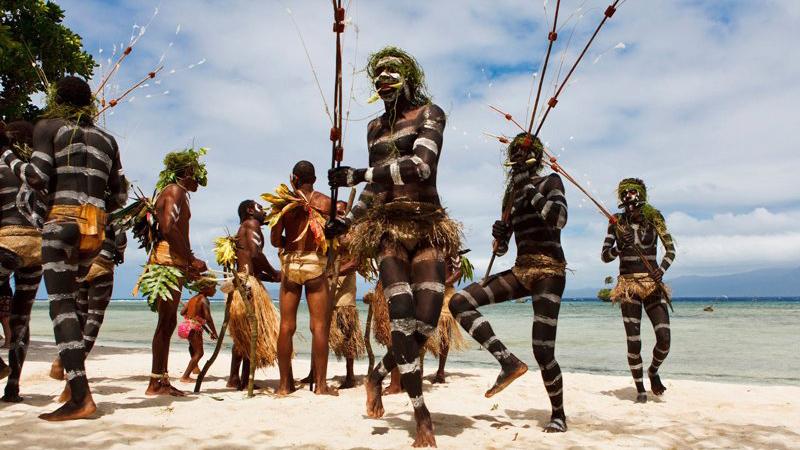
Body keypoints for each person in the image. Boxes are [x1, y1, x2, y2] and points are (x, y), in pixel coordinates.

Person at [327, 46, 459, 447]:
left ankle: (377, 374)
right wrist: (347, 221)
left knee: (424, 322)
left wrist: (357, 172)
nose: (383, 80)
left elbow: (421, 165)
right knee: (400, 317)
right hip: (387, 230)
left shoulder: (430, 113)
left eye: (391, 73)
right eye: (378, 75)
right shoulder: (373, 129)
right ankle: (421, 414)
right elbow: (375, 186)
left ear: (408, 77)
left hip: (428, 227)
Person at [1, 77, 127, 420]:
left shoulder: (49, 126)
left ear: (57, 98)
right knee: (72, 306)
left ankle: (81, 397)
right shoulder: (108, 140)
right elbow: (119, 196)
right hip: (94, 229)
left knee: (62, 309)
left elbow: (37, 176)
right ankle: (73, 387)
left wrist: (7, 154)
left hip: (61, 224)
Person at [449, 133, 569, 433]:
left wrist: (530, 189)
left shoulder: (549, 182)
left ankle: (559, 415)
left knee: (543, 350)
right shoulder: (511, 197)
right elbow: (502, 249)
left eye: (521, 153)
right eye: (512, 154)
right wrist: (501, 234)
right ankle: (507, 361)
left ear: (535, 158)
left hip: (549, 272)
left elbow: (558, 219)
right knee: (459, 301)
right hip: (521, 269)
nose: (516, 159)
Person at [601, 178, 676, 403]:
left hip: (652, 286)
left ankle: (653, 371)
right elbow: (605, 256)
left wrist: (661, 270)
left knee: (664, 338)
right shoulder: (616, 222)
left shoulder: (655, 218)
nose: (629, 196)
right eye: (625, 193)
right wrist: (618, 247)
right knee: (634, 340)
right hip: (628, 287)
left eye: (633, 192)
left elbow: (671, 250)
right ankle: (640, 389)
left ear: (641, 195)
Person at [142, 148, 208, 396]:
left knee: (168, 322)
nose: (199, 181)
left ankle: (160, 379)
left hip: (173, 260)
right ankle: (155, 382)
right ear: (188, 172)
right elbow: (168, 227)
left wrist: (188, 263)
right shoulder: (175, 191)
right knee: (165, 322)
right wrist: (190, 259)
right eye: (196, 175)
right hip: (168, 261)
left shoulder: (177, 193)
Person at [269, 161, 337, 396]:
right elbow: (334, 235)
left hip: (290, 263)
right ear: (314, 180)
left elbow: (276, 240)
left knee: (286, 326)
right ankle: (320, 385)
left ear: (294, 178)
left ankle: (284, 385)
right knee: (319, 326)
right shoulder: (326, 202)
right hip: (315, 263)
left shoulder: (284, 202)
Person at [49, 222, 127, 386]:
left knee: (80, 317)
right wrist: (120, 253)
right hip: (102, 268)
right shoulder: (112, 213)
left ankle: (60, 361)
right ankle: (69, 365)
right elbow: (121, 239)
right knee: (94, 319)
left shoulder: (85, 210)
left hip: (82, 267)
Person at [0, 120, 44, 403]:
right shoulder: (38, 174)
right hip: (37, 250)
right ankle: (13, 387)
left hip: (6, 244)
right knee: (21, 319)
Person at [225, 200, 281, 390]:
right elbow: (256, 255)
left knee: (244, 334)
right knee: (251, 333)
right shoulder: (251, 225)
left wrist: (269, 277)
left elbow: (249, 260)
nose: (263, 211)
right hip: (249, 286)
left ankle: (235, 378)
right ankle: (244, 379)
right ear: (250, 210)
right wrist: (274, 273)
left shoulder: (243, 229)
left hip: (244, 282)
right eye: (259, 207)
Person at [326, 202, 366, 389]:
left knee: (347, 331)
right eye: (337, 211)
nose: (340, 214)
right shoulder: (326, 230)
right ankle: (315, 373)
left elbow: (356, 263)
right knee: (321, 330)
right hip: (326, 286)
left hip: (345, 290)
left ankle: (350, 376)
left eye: (343, 211)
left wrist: (335, 272)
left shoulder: (352, 234)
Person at [425, 251, 470, 384]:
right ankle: (418, 368)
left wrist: (442, 284)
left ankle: (440, 371)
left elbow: (458, 272)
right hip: (427, 292)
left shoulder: (453, 254)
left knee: (445, 332)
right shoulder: (427, 250)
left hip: (447, 293)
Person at [179, 282, 217, 383]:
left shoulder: (192, 299)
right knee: (200, 353)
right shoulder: (204, 300)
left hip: (185, 326)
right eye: (213, 288)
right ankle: (185, 376)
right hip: (194, 328)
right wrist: (214, 332)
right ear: (206, 289)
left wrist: (194, 314)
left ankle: (195, 369)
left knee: (193, 348)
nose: (215, 290)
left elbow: (182, 312)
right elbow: (208, 318)